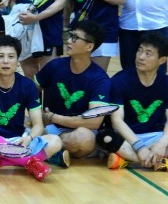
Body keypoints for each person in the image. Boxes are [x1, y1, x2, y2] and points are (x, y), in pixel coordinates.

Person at [0, 35, 63, 181]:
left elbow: (38, 124)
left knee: (55, 141)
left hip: (17, 141)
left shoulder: (27, 85)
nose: (6, 61)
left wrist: (29, 138)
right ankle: (30, 163)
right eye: (0, 56)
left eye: (11, 56)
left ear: (17, 61)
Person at [102, 31, 168, 174]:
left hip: (155, 136)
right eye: (140, 51)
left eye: (148, 54)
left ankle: (126, 160)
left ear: (162, 60)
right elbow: (117, 121)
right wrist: (139, 147)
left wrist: (161, 144)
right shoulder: (119, 81)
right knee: (105, 138)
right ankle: (164, 163)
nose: (140, 57)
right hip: (127, 137)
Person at [35, 19, 112, 163]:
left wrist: (52, 117)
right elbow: (30, 90)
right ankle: (54, 152)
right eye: (70, 35)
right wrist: (37, 113)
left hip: (80, 130)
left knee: (84, 138)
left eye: (75, 38)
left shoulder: (100, 79)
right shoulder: (55, 66)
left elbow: (94, 122)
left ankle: (50, 146)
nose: (69, 41)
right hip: (51, 128)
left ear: (89, 46)